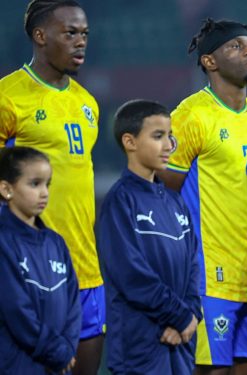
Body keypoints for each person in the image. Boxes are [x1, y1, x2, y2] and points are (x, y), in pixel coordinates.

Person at [157, 18, 247, 375]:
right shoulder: (190, 116)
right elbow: (165, 196)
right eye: (235, 46)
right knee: (212, 370)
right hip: (209, 274)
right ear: (209, 61)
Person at [0, 2, 103, 372]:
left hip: (86, 267)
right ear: (40, 36)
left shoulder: (87, 103)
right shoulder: (8, 96)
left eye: (85, 34)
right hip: (31, 267)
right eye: (70, 33)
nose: (81, 42)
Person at [96, 100, 201, 374]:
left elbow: (193, 265)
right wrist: (179, 315)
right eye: (158, 136)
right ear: (129, 142)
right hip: (139, 345)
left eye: (170, 136)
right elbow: (131, 275)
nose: (169, 145)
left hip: (180, 342)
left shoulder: (175, 202)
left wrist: (191, 316)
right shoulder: (120, 202)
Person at [0, 147, 80, 374]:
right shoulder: (4, 242)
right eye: (35, 184)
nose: (44, 193)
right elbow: (16, 311)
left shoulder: (55, 243)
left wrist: (67, 347)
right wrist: (56, 350)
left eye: (48, 184)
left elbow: (73, 303)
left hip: (58, 364)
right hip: (18, 364)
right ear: (7, 189)